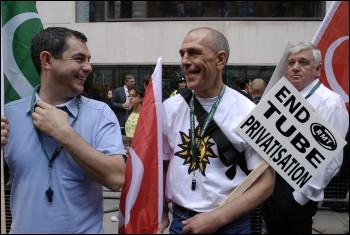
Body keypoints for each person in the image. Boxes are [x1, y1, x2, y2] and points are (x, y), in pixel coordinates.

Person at [0, 27, 126, 233]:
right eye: (79, 59)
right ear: (47, 60)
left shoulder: (100, 113)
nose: (88, 67)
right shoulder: (8, 115)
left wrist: (65, 134)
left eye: (88, 59)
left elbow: (116, 180)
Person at [157, 27, 275, 234]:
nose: (184, 61)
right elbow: (161, 165)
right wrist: (160, 210)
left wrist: (216, 218)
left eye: (194, 52)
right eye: (182, 53)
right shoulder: (169, 108)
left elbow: (265, 183)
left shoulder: (249, 111)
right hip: (181, 223)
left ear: (220, 59)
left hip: (232, 224)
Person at [262, 42, 349, 234]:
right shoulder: (283, 96)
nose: (295, 67)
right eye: (291, 62)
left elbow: (332, 159)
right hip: (271, 186)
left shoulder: (329, 102)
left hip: (296, 192)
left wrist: (300, 196)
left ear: (317, 70)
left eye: (303, 62)